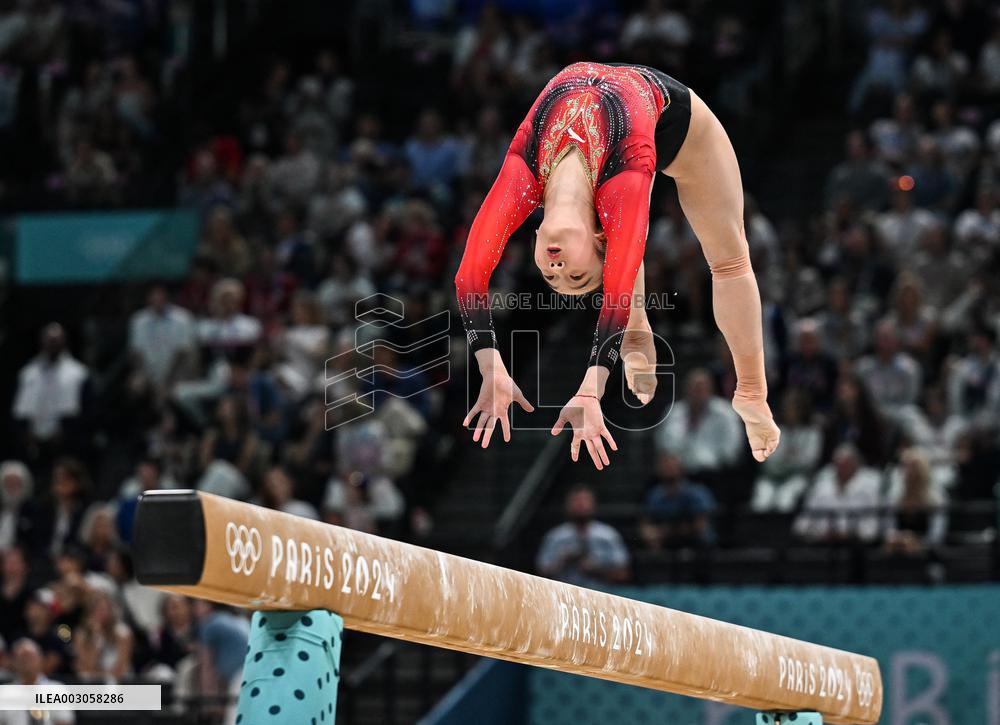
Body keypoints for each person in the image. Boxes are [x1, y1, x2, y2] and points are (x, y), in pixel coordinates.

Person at [455, 62, 779, 468]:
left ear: (535, 242)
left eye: (552, 276)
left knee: (725, 258)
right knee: (727, 262)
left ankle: (750, 392)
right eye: (576, 275)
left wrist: (489, 363)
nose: (557, 270)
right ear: (597, 241)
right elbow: (618, 290)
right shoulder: (624, 178)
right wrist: (590, 388)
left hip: (659, 122)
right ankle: (749, 387)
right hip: (667, 125)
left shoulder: (523, 175)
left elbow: (469, 275)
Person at [536, 485, 630, 587]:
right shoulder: (555, 537)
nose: (581, 504)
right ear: (567, 505)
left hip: (600, 593)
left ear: (593, 504)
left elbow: (623, 574)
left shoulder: (608, 535)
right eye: (576, 501)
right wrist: (563, 562)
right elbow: (540, 574)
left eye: (585, 500)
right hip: (563, 594)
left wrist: (595, 570)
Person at [793, 445, 882, 543]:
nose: (842, 469)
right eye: (839, 465)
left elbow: (871, 529)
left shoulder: (867, 489)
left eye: (846, 465)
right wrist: (818, 534)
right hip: (822, 544)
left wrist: (848, 535)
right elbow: (801, 525)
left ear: (855, 466)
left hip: (856, 546)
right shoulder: (821, 488)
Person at [639, 453, 715, 550]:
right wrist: (648, 532)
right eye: (665, 465)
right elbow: (645, 522)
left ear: (681, 467)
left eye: (671, 465)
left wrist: (663, 532)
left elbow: (700, 526)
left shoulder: (697, 492)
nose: (668, 468)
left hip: (696, 544)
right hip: (667, 542)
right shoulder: (655, 495)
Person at [0, 640, 74, 725]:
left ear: (40, 659)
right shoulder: (4, 693)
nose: (26, 662)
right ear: (14, 662)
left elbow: (65, 721)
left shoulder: (57, 689)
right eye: (22, 658)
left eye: (30, 657)